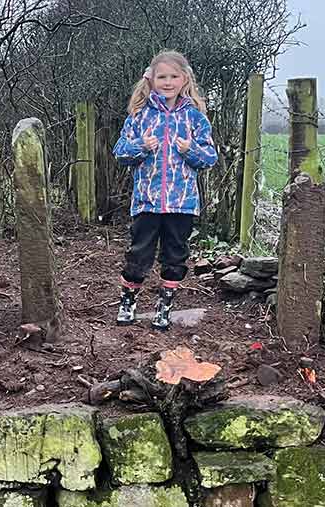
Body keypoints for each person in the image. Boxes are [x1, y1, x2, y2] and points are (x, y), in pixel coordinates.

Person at [112, 50, 218, 330]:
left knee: (175, 256)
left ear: (184, 80)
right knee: (138, 255)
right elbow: (120, 153)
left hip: (182, 204)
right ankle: (128, 303)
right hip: (146, 202)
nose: (167, 81)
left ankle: (164, 306)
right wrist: (141, 146)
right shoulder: (140, 116)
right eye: (162, 76)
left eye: (173, 76)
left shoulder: (195, 118)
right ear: (152, 80)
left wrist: (190, 150)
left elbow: (209, 158)